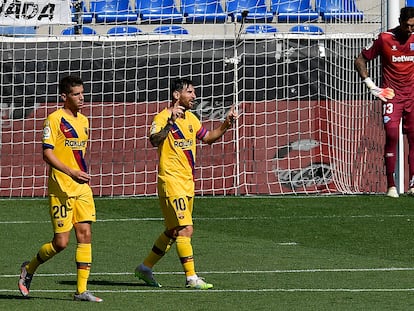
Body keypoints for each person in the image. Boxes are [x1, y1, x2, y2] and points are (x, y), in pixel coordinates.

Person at [134, 78, 237, 289]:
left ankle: (145, 268)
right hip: (170, 180)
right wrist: (170, 122)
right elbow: (154, 140)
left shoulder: (191, 118)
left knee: (173, 232)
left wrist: (226, 124)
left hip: (187, 182)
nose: (194, 96)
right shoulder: (162, 117)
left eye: (194, 92)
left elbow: (208, 137)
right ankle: (191, 278)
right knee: (185, 229)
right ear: (176, 95)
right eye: (190, 92)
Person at [18, 75, 103, 302]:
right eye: (76, 94)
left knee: (85, 234)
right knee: (61, 243)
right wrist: (71, 172)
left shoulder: (84, 121)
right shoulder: (54, 119)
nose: (81, 97)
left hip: (81, 188)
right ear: (64, 97)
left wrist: (80, 174)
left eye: (82, 93)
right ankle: (29, 269)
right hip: (61, 188)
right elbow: (47, 153)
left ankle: (81, 290)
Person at [355, 6, 414, 198]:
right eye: (407, 26)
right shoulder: (385, 39)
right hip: (392, 96)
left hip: (412, 97)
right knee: (392, 136)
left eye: (413, 26)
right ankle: (391, 185)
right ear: (400, 22)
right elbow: (360, 60)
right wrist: (371, 85)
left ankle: (413, 183)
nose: (410, 30)